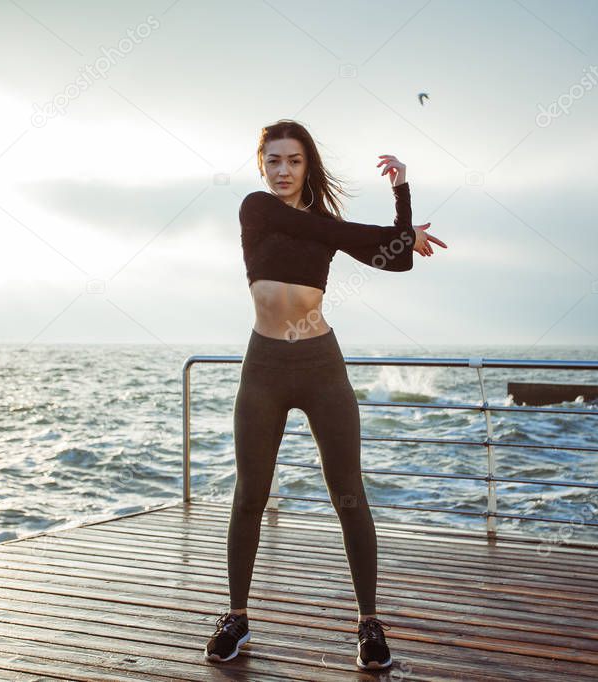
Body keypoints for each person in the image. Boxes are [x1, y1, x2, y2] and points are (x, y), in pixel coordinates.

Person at [204, 119, 446, 670]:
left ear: (307, 165)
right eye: (274, 160)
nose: (283, 170)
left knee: (348, 494)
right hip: (264, 365)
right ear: (261, 166)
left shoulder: (326, 225)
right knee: (250, 494)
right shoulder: (256, 209)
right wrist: (390, 233)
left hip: (320, 365)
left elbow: (394, 259)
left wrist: (402, 202)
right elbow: (350, 237)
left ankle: (368, 623)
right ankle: (236, 617)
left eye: (293, 160)